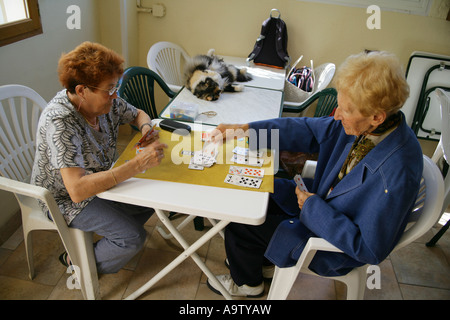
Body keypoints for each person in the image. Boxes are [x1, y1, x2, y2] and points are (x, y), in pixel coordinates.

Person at [207, 51, 423, 297]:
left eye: (345, 110)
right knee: (260, 189)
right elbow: (305, 129)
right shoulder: (369, 123)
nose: (337, 115)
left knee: (243, 224)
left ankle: (247, 285)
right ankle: (261, 264)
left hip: (332, 243)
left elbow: (370, 249)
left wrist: (313, 207)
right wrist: (245, 130)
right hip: (322, 203)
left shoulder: (398, 173)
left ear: (376, 117)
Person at [31, 42, 168, 274]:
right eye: (110, 89)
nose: (115, 95)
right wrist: (136, 165)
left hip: (99, 179)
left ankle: (109, 235)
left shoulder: (106, 103)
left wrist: (146, 128)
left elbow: (138, 114)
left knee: (155, 199)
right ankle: (77, 263)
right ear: (83, 91)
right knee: (131, 237)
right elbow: (76, 190)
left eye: (116, 87)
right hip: (63, 198)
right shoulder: (60, 122)